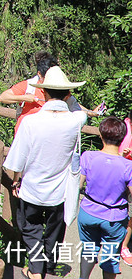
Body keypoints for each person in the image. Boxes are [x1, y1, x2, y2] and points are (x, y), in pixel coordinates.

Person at [4, 66, 89, 279]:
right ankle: (47, 266)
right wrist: (68, 99)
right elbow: (81, 113)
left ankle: (35, 270)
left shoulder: (31, 122)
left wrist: (16, 181)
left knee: (30, 227)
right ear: (68, 94)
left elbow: (18, 159)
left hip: (32, 186)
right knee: (54, 231)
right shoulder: (76, 121)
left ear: (44, 92)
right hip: (60, 191)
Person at [78, 116, 132, 279]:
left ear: (101, 135)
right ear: (123, 138)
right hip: (114, 218)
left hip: (88, 211)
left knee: (88, 249)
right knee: (110, 257)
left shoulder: (88, 156)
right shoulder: (127, 166)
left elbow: (79, 185)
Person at [0, 52, 98, 133]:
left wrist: (92, 113)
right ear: (39, 74)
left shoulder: (57, 88)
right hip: (25, 133)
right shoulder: (28, 86)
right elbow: (3, 97)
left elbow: (72, 103)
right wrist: (24, 98)